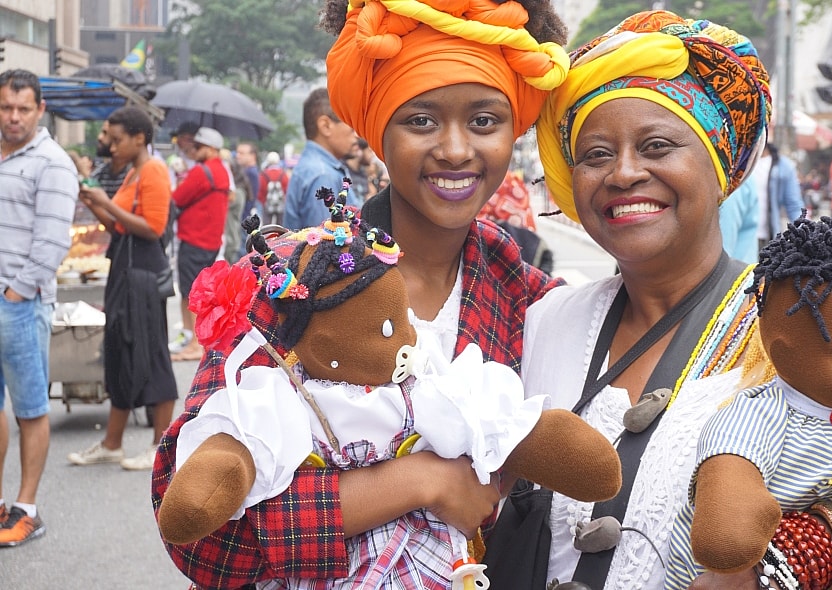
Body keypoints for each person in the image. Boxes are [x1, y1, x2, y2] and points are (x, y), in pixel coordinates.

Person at [487, 11, 832, 590]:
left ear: (721, 163)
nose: (624, 172)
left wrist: (797, 565)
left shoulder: (829, 320)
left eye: (657, 145)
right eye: (596, 154)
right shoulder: (547, 321)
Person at [151, 0, 570, 586]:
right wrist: (420, 481)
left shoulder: (517, 289)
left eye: (484, 121)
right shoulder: (290, 278)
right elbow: (200, 533)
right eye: (420, 120)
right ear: (377, 131)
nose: (455, 149)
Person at [70, 106, 178, 472]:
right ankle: (111, 443)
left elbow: (153, 228)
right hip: (125, 271)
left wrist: (104, 204)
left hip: (144, 275)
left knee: (152, 356)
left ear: (139, 138)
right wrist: (95, 201)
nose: (111, 147)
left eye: (117, 140)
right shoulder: (135, 171)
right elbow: (118, 226)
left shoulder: (154, 170)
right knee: (119, 353)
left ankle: (160, 445)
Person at [0, 68, 77, 546]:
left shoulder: (52, 161)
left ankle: (26, 507)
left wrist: (16, 293)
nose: (13, 117)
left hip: (20, 305)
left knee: (30, 409)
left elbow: (52, 241)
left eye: (23, 108)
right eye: (6, 107)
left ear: (40, 109)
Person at [168, 126, 230, 362]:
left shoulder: (202, 171)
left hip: (195, 238)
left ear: (211, 149)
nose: (194, 150)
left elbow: (177, 198)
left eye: (199, 146)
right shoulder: (221, 170)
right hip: (210, 239)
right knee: (199, 290)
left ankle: (196, 342)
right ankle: (192, 336)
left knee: (192, 292)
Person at [282, 88, 362, 229]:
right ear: (325, 126)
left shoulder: (317, 168)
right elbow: (328, 244)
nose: (356, 134)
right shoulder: (323, 175)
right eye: (350, 123)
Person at [752, 142, 805, 250]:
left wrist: (804, 235)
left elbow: (793, 205)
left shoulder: (783, 166)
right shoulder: (737, 162)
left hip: (767, 239)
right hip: (735, 240)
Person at [717, 181, 759, 264]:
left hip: (732, 273)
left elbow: (724, 248)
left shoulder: (730, 181)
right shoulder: (744, 179)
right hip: (744, 266)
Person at [256, 151, 289, 226]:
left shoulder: (263, 174)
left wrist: (263, 201)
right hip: (281, 203)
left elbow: (260, 190)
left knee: (267, 226)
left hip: (267, 203)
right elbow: (287, 189)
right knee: (280, 226)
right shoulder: (283, 174)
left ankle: (268, 237)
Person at [235, 141, 260, 220]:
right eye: (237, 152)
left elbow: (250, 200)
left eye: (241, 153)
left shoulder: (250, 173)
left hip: (244, 218)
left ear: (252, 155)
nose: (237, 156)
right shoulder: (248, 171)